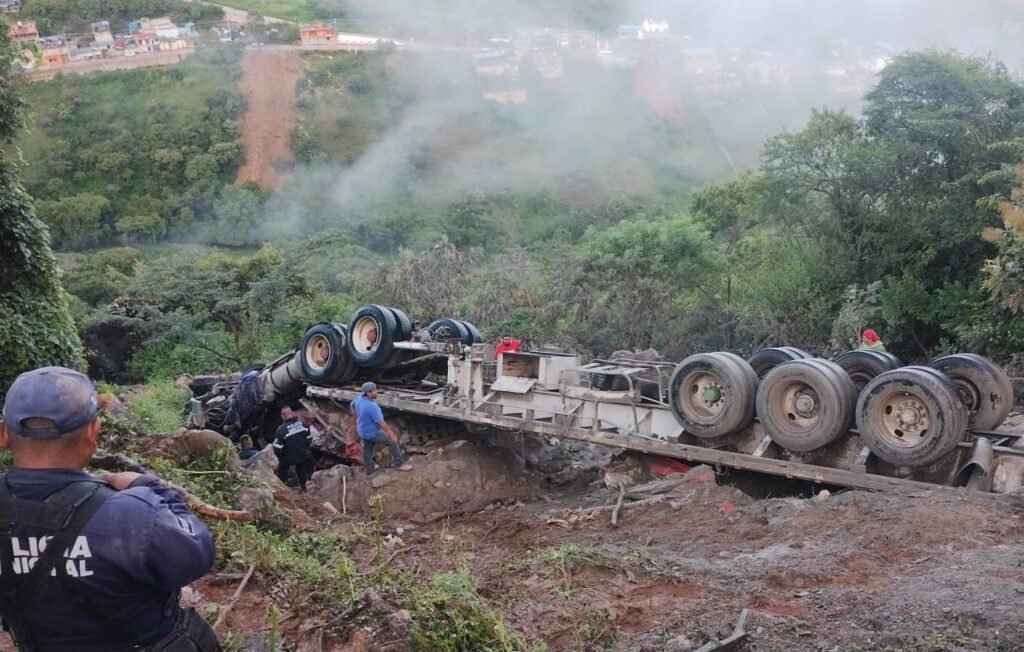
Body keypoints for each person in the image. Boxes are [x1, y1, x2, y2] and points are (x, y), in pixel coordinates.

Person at [0, 366, 219, 652]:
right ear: (93, 431)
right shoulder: (131, 514)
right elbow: (199, 552)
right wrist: (151, 487)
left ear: (4, 433)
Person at [349, 382, 412, 475]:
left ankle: (370, 468)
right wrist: (392, 434)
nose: (376, 392)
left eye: (375, 389)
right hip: (371, 432)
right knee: (392, 441)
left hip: (362, 430)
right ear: (368, 393)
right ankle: (399, 464)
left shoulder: (359, 398)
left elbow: (351, 406)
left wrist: (355, 420)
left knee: (367, 448)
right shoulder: (371, 406)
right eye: (374, 391)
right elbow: (381, 423)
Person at [272, 407, 314, 492]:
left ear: (282, 416)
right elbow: (309, 439)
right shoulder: (303, 424)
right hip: (301, 455)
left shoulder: (281, 430)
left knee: (282, 471)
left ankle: (281, 488)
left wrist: (280, 456)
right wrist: (304, 449)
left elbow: (277, 448)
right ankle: (303, 488)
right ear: (292, 413)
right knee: (301, 471)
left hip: (287, 457)